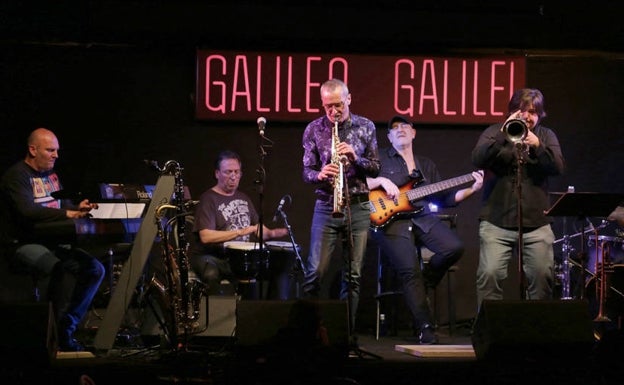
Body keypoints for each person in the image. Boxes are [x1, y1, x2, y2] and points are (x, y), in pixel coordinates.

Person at [367, 115, 483, 344]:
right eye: (394, 128)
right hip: (391, 221)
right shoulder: (378, 157)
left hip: (422, 216)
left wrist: (473, 188)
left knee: (454, 248)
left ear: (413, 133)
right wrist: (380, 181)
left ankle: (427, 280)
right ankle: (425, 327)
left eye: (405, 126)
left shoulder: (426, 165)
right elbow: (359, 183)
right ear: (389, 137)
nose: (400, 129)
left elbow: (445, 198)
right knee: (410, 272)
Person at [0, 127, 105, 352]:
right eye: (50, 150)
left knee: (95, 269)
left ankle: (66, 325)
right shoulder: (17, 176)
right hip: (21, 244)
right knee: (61, 269)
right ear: (32, 150)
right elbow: (28, 211)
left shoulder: (51, 176)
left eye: (56, 150)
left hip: (51, 242)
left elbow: (54, 205)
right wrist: (69, 214)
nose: (56, 155)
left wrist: (75, 207)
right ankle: (50, 334)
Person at [471, 88, 565, 306]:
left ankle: (538, 335)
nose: (526, 116)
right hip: (496, 221)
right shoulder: (494, 131)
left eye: (532, 112)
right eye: (520, 111)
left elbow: (558, 167)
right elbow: (477, 159)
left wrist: (538, 147)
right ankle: (488, 333)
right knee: (489, 275)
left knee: (543, 277)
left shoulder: (546, 136)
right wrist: (504, 135)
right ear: (511, 112)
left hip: (536, 223)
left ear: (540, 115)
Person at [301, 78, 380, 332]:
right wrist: (320, 174)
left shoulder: (366, 126)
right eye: (327, 107)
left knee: (353, 276)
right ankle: (311, 332)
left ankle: (346, 334)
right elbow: (306, 171)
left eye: (338, 105)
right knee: (315, 272)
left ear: (348, 99)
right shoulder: (314, 129)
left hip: (357, 207)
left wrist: (356, 158)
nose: (333, 112)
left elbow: (376, 167)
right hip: (326, 205)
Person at [188, 150, 290, 300]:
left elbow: (257, 229)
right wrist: (240, 232)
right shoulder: (208, 199)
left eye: (236, 172)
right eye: (228, 172)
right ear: (217, 173)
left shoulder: (244, 198)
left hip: (237, 259)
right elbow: (206, 236)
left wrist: (273, 233)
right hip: (212, 257)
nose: (233, 176)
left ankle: (262, 312)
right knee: (211, 273)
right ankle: (218, 317)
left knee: (278, 267)